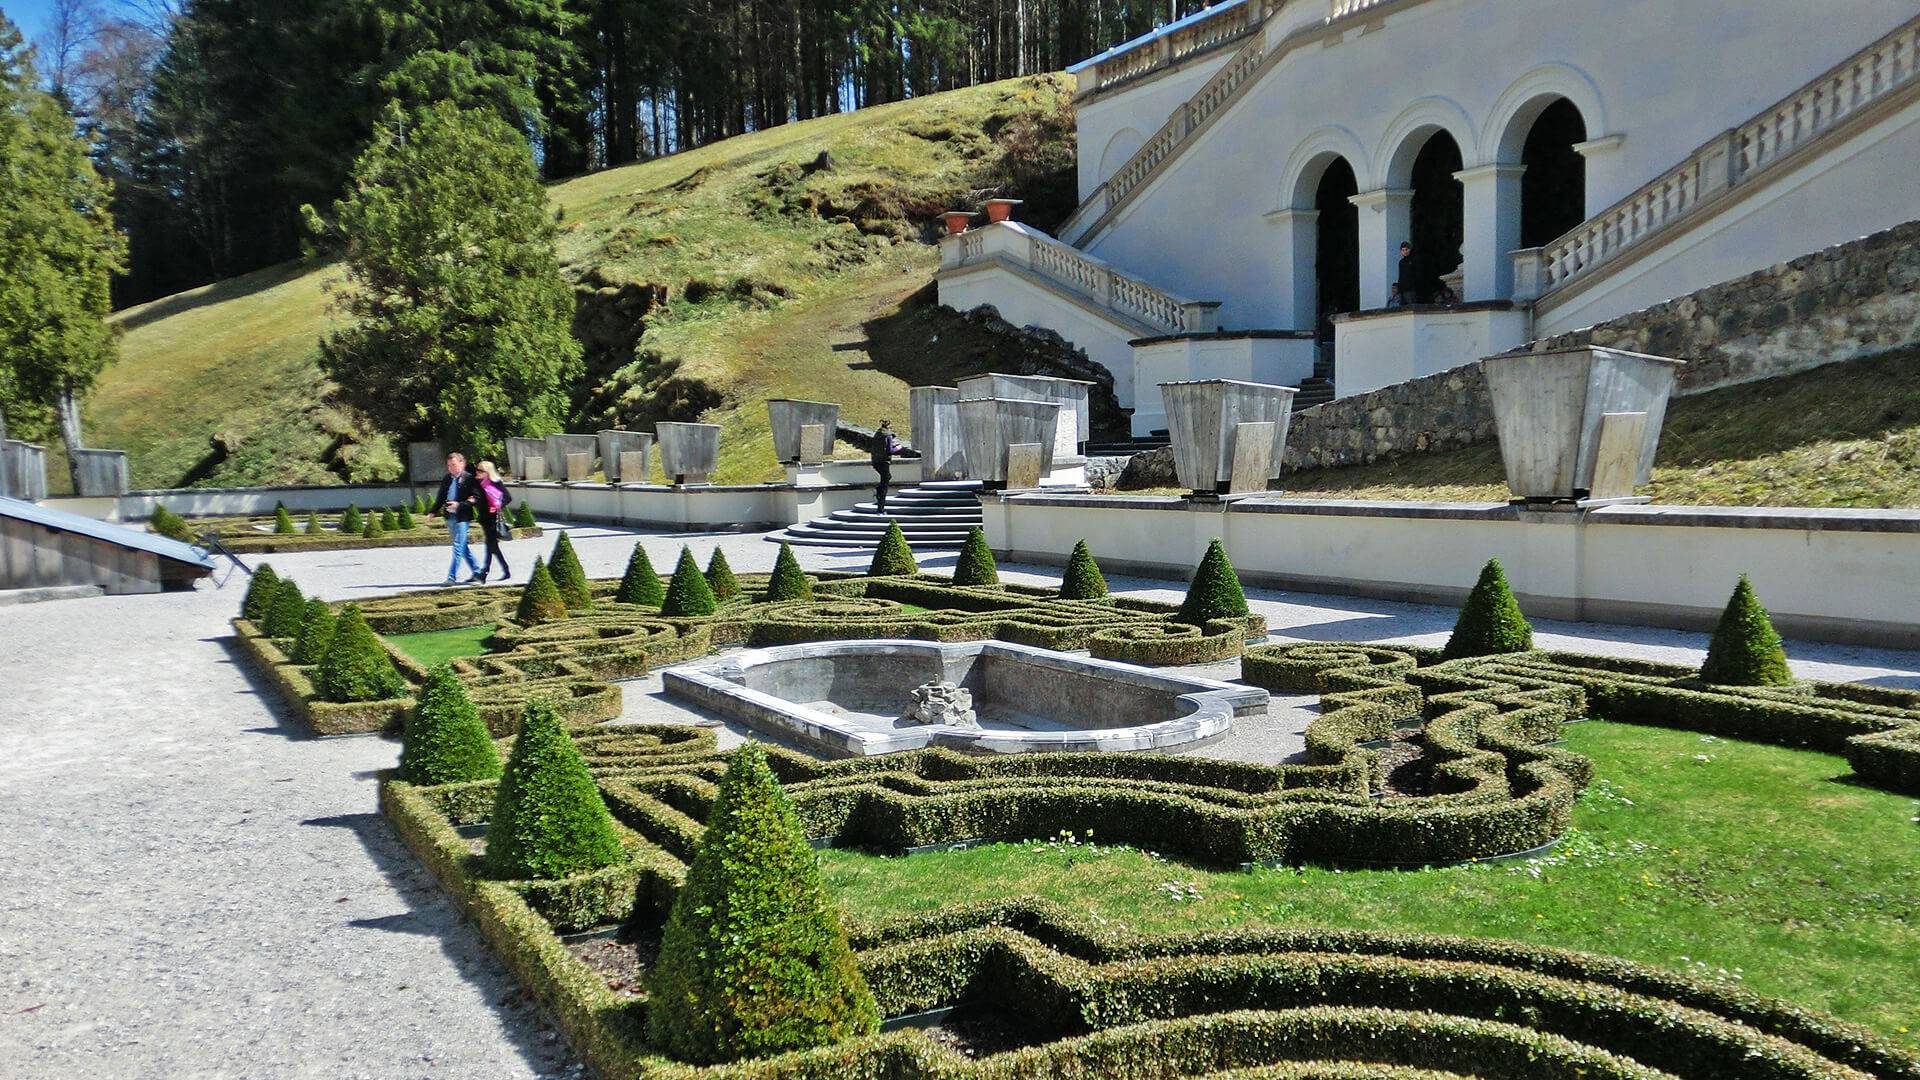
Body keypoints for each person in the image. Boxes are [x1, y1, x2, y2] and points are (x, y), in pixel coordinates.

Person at [434, 452, 483, 585]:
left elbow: (475, 498)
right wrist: (433, 511)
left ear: (462, 463)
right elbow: (441, 496)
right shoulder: (447, 479)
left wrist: (459, 505)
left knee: (457, 546)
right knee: (462, 546)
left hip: (463, 517)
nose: (451, 468)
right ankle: (478, 572)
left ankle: (451, 577)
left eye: (454, 465)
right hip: (450, 516)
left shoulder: (469, 478)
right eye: (449, 465)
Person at [467, 459, 514, 585]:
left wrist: (498, 505)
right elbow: (477, 498)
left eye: (480, 470)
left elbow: (508, 498)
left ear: (488, 472)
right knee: (493, 546)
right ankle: (506, 569)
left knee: (489, 545)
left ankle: (484, 573)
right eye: (477, 469)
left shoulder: (495, 482)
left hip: (494, 518)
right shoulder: (477, 483)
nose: (477, 472)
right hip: (484, 518)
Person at [870, 420, 901, 511]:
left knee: (887, 477)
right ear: (889, 427)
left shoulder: (877, 434)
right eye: (891, 428)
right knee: (885, 483)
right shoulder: (888, 435)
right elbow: (890, 450)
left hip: (875, 461)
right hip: (884, 462)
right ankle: (880, 506)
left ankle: (879, 491)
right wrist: (898, 448)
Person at [1390, 241, 1416, 307]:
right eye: (1403, 250)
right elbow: (1400, 276)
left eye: (1406, 249)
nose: (1404, 252)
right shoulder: (1401, 262)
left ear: (1409, 250)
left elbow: (1416, 274)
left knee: (1411, 307)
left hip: (1410, 289)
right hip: (1402, 289)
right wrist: (1399, 288)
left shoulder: (1414, 260)